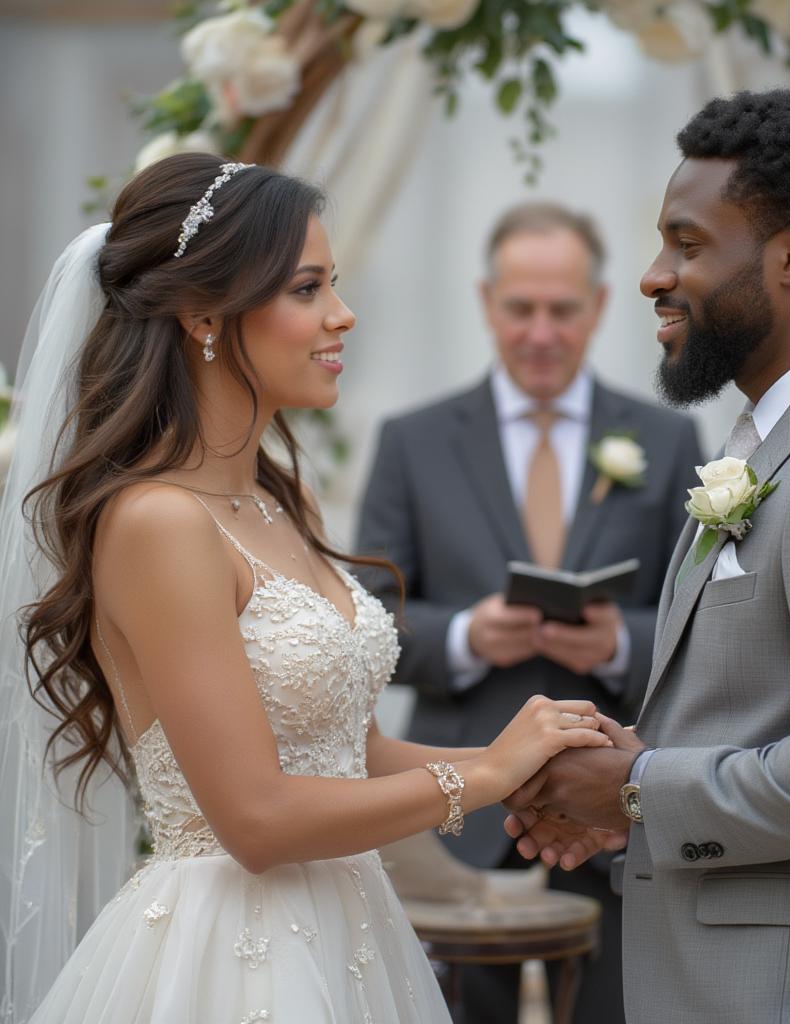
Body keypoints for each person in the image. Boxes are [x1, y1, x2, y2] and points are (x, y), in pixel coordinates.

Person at [0, 153, 617, 1024]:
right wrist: (483, 775)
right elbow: (254, 819)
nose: (343, 314)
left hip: (350, 934)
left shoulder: (272, 500)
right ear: (206, 313)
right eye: (307, 289)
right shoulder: (157, 523)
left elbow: (347, 754)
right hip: (227, 956)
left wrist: (528, 758)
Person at [504, 88, 790, 1024]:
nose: (652, 276)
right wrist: (625, 789)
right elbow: (760, 711)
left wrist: (635, 788)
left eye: (686, 244)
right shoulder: (783, 435)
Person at [356, 202, 702, 1023]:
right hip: (463, 809)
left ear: (598, 303)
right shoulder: (414, 439)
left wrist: (622, 643)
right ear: (486, 302)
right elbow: (367, 620)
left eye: (562, 310)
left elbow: (704, 618)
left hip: (617, 795)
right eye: (520, 308)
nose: (541, 332)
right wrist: (464, 635)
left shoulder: (667, 435)